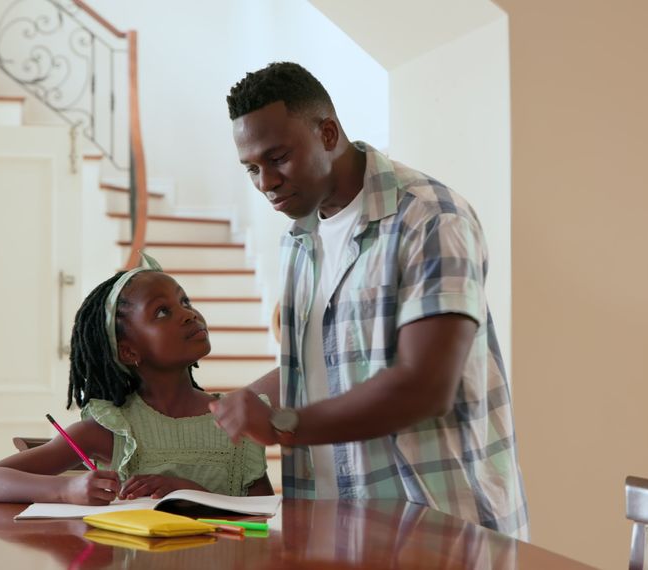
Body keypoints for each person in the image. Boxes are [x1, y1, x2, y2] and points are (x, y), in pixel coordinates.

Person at [209, 62, 528, 538]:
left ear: (329, 133)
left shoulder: (429, 218)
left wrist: (283, 423)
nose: (266, 182)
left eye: (277, 158)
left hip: (439, 526)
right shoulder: (299, 240)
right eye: (251, 168)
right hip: (336, 526)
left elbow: (424, 386)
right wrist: (238, 403)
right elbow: (320, 364)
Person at [0, 255, 274, 504]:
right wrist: (65, 491)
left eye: (185, 302)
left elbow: (264, 518)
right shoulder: (111, 429)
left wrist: (188, 493)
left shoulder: (239, 417)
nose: (188, 314)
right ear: (128, 352)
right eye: (163, 312)